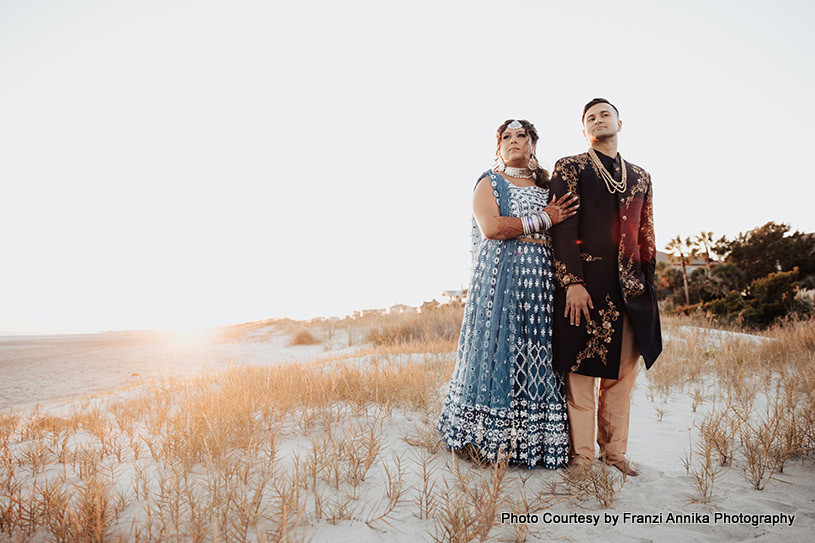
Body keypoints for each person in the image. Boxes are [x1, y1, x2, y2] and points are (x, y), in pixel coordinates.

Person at [437, 119, 579, 469]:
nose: (514, 141)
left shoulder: (548, 186)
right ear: (497, 146)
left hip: (542, 281)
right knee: (498, 348)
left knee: (536, 351)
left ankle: (533, 443)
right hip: (501, 279)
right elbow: (492, 227)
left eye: (521, 136)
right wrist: (545, 218)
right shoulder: (490, 182)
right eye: (506, 137)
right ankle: (487, 441)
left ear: (533, 144)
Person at [549, 98, 662, 476]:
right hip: (585, 290)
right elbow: (562, 229)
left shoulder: (641, 175)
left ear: (619, 122)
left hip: (631, 293)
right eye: (590, 118)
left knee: (619, 381)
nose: (598, 120)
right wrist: (573, 283)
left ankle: (614, 454)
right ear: (585, 130)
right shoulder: (570, 167)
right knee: (580, 376)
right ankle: (581, 457)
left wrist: (647, 284)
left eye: (605, 114)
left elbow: (646, 234)